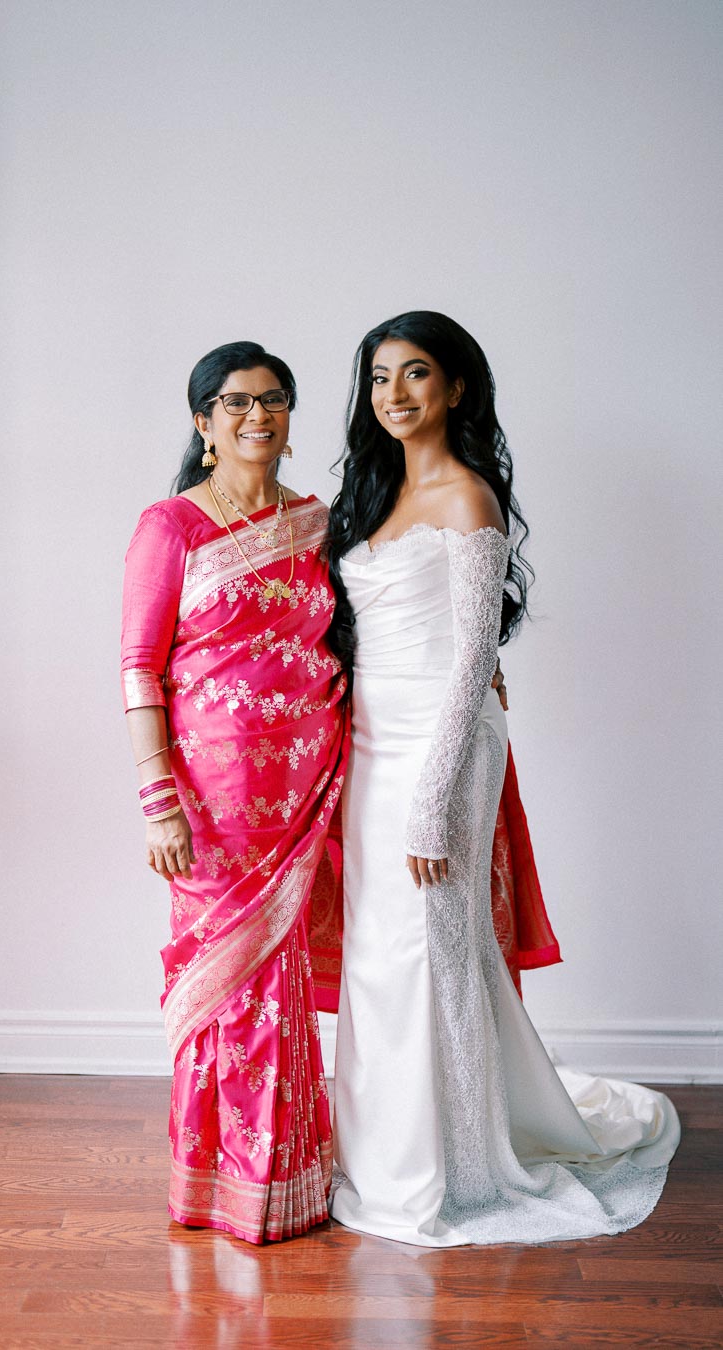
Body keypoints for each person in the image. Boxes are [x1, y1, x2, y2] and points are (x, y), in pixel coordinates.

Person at [326, 310, 680, 1246]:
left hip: (444, 743)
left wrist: (435, 802)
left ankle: (461, 1168)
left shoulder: (467, 498)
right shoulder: (368, 501)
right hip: (370, 740)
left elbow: (471, 656)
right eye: (378, 378)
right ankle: (384, 1149)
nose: (393, 396)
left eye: (415, 375)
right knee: (378, 948)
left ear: (456, 389)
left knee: (430, 943)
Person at [120, 342, 349, 1244]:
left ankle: (285, 1177)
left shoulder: (319, 523)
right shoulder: (170, 526)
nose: (260, 416)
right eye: (238, 402)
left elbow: (357, 641)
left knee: (278, 983)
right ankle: (220, 1178)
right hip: (212, 807)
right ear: (203, 422)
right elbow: (140, 668)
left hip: (304, 792)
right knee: (223, 988)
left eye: (276, 401)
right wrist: (158, 799)